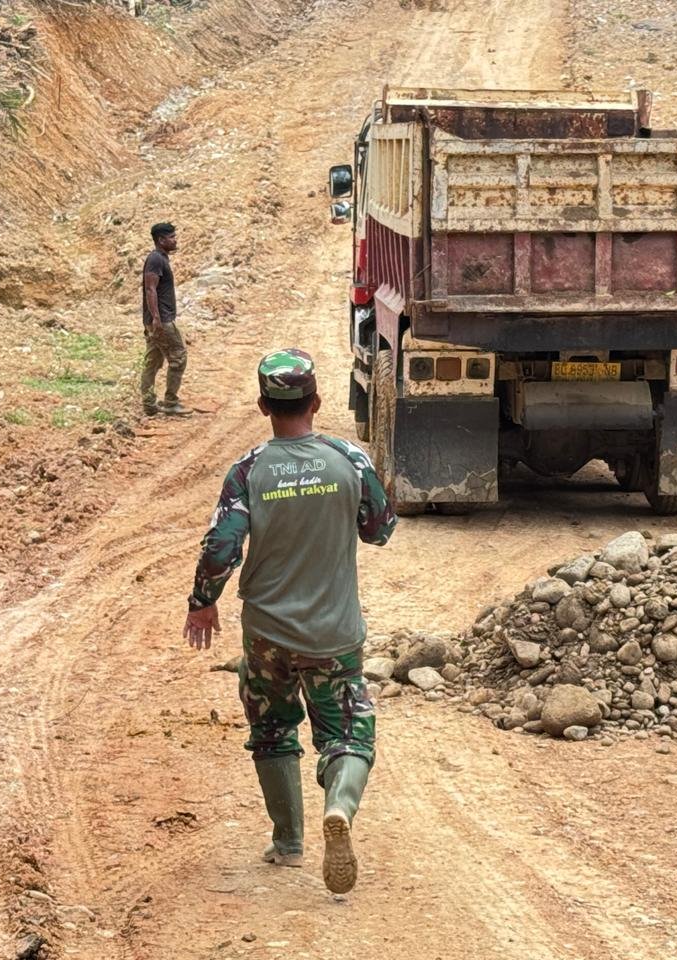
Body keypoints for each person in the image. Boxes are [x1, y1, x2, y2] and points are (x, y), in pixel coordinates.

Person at [182, 348, 397, 894]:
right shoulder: (349, 460)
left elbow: (222, 546)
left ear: (263, 406)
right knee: (348, 732)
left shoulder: (248, 470)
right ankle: (339, 806)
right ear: (316, 401)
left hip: (267, 635)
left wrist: (202, 602)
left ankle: (288, 842)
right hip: (334, 635)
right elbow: (380, 529)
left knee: (273, 729)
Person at [141, 222, 191, 416]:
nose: (175, 240)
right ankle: (170, 402)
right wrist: (156, 318)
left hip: (156, 319)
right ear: (161, 240)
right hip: (161, 320)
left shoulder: (160, 258)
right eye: (171, 237)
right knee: (179, 357)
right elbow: (150, 289)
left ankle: (149, 403)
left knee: (153, 360)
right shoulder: (155, 259)